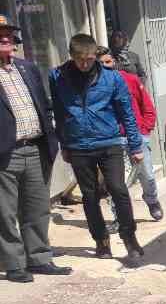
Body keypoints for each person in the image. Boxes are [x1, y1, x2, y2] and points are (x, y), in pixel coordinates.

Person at [52, 33, 144, 259]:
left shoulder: (112, 79)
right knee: (89, 195)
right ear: (72, 56)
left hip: (108, 142)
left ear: (95, 56)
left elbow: (127, 113)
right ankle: (101, 240)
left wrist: (135, 145)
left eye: (90, 59)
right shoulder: (57, 77)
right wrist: (64, 144)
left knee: (118, 190)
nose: (85, 64)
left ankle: (129, 237)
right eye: (80, 59)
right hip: (78, 145)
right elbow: (59, 111)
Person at [0, 15, 69, 283]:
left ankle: (40, 258)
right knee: (5, 212)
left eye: (8, 34)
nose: (5, 38)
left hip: (36, 149)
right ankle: (14, 264)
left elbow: (45, 105)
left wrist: (52, 138)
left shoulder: (27, 68)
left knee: (37, 208)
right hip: (6, 154)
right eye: (0, 35)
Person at [99, 47, 162, 221]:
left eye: (108, 62)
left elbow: (147, 107)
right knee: (117, 182)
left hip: (138, 135)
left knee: (147, 175)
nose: (105, 66)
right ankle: (119, 216)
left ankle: (152, 200)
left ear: (115, 62)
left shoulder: (131, 80)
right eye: (100, 63)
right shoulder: (96, 87)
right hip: (114, 139)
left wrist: (145, 129)